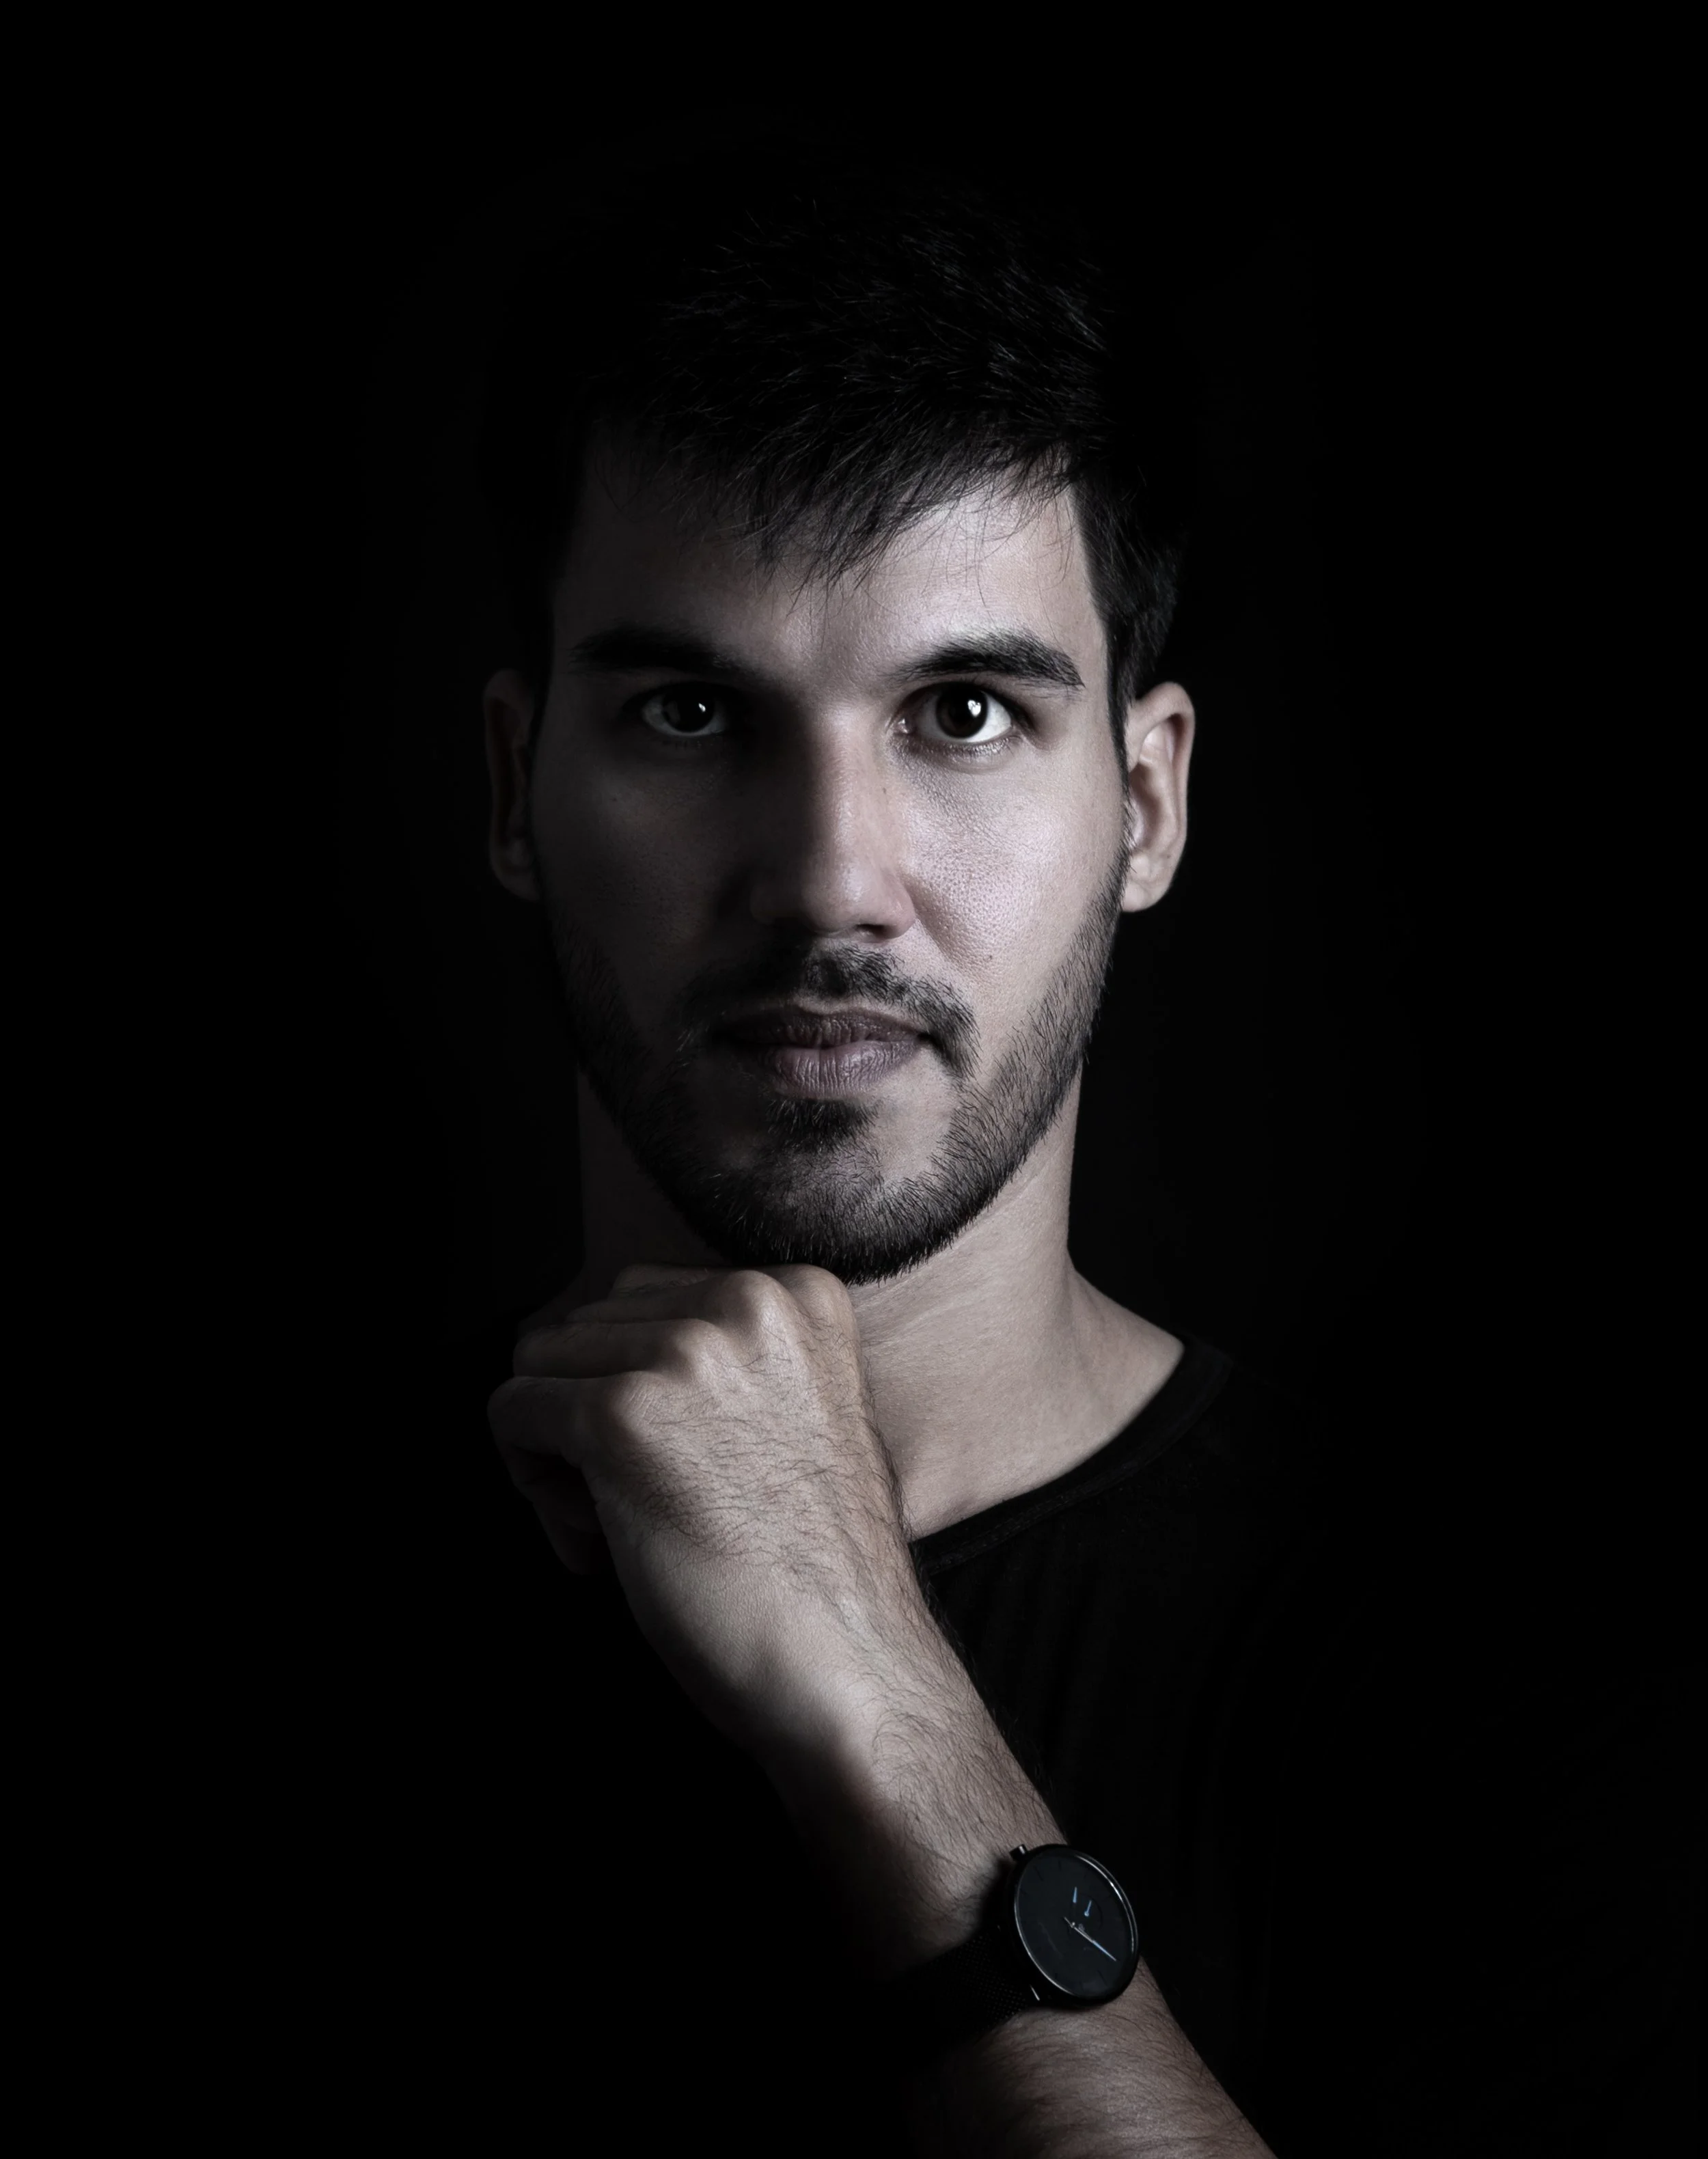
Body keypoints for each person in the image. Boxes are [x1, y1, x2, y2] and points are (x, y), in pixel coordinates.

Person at [363, 150, 1687, 2156]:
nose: (829, 885)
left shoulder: (1491, 1689)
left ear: (1145, 804)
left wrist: (877, 1691)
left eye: (964, 711)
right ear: (510, 788)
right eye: (693, 716)